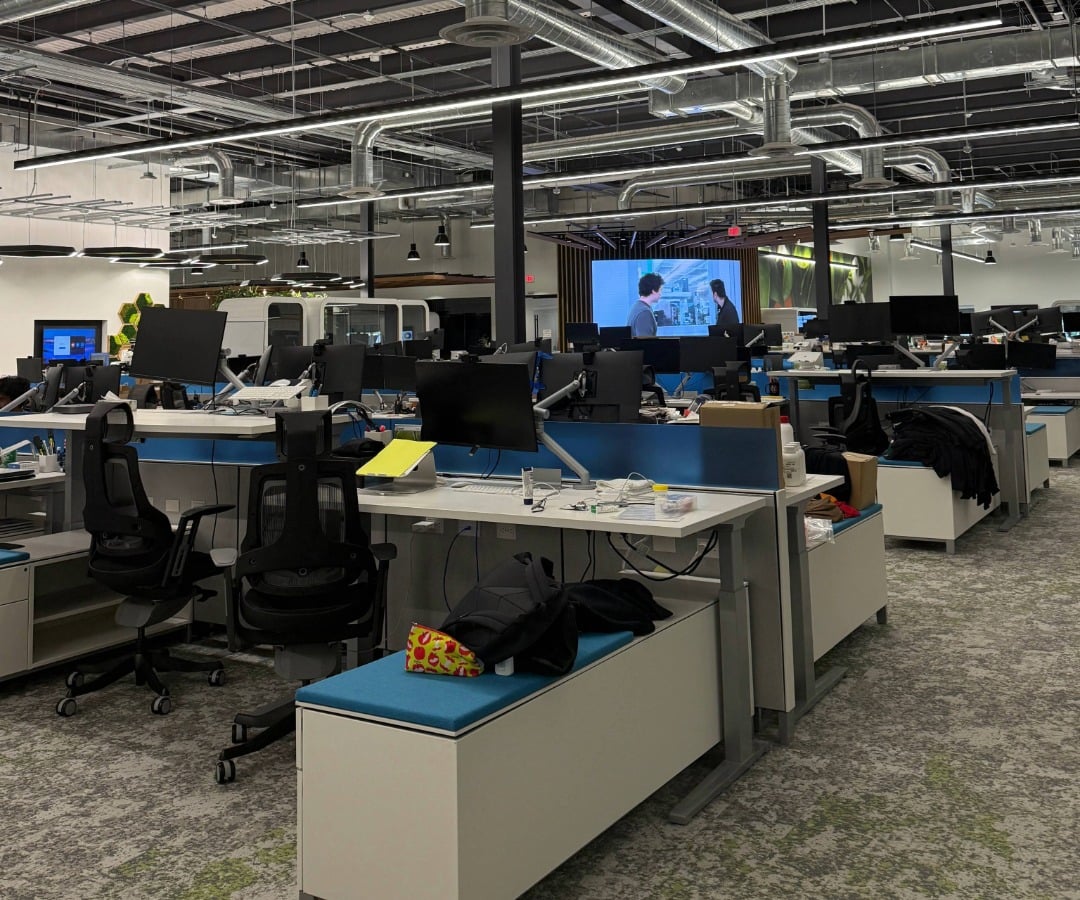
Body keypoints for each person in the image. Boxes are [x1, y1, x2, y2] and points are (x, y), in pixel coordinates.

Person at [627, 273, 664, 337]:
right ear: (653, 291)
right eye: (660, 290)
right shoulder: (644, 312)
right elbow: (645, 342)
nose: (661, 293)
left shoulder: (638, 307)